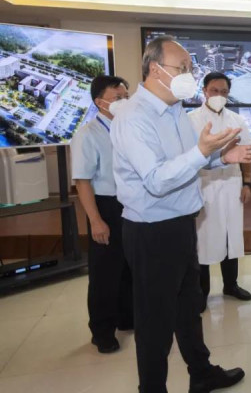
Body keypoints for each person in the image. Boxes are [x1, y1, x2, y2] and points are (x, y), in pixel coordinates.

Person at [111, 36, 251, 393]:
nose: (188, 76)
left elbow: (186, 162)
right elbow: (156, 180)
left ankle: (201, 372)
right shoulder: (133, 117)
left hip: (181, 224)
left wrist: (220, 158)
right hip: (152, 231)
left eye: (190, 69)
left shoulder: (174, 109)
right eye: (182, 68)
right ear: (155, 69)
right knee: (155, 323)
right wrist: (201, 152)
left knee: (187, 307)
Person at [71, 75, 133, 354]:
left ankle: (127, 317)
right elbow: (82, 181)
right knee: (105, 273)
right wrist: (96, 220)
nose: (124, 102)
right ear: (100, 102)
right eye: (118, 98)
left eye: (126, 97)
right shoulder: (88, 134)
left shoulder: (128, 128)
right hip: (105, 206)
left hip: (132, 204)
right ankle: (102, 331)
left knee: (129, 267)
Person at [188, 73, 251, 310]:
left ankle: (231, 285)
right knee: (205, 239)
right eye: (214, 91)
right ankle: (202, 292)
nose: (219, 95)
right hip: (204, 186)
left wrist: (247, 183)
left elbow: (247, 153)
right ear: (204, 91)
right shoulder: (190, 120)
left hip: (232, 185)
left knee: (230, 235)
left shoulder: (237, 120)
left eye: (224, 92)